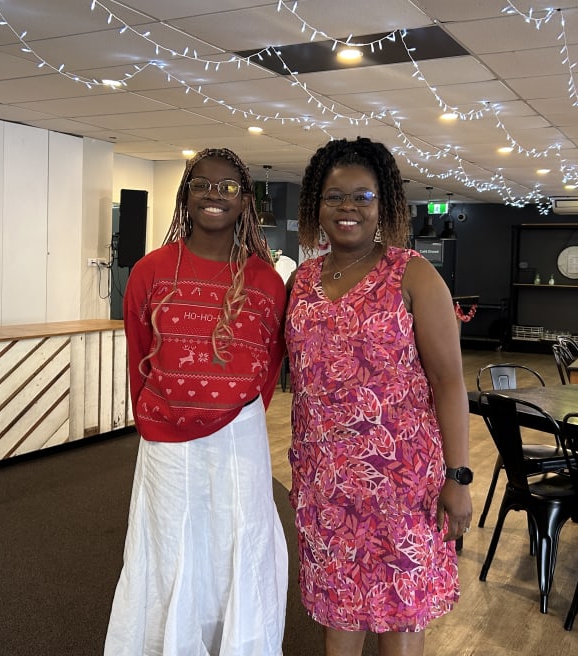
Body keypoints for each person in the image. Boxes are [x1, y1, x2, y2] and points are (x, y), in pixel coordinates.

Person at [284, 137, 472, 656]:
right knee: (337, 610)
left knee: (401, 614)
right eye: (334, 196)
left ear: (384, 204)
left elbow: (450, 382)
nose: (348, 207)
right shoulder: (301, 282)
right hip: (325, 483)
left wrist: (458, 477)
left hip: (401, 482)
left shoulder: (413, 274)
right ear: (314, 206)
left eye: (363, 197)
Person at [104, 148, 288, 656]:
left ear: (245, 200)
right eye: (202, 184)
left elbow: (269, 364)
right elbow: (139, 351)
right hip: (165, 439)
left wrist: (230, 408)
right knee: (168, 546)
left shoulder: (266, 281)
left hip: (238, 437)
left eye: (228, 187)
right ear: (185, 195)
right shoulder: (150, 270)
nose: (214, 194)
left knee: (237, 544)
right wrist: (159, 411)